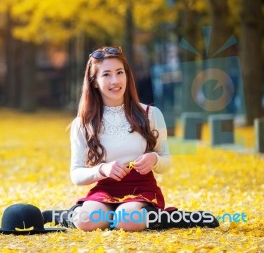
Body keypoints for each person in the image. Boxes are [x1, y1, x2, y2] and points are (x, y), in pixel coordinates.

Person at [42, 46, 219, 231]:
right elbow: (76, 175)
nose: (115, 80)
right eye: (106, 75)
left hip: (142, 189)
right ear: (94, 82)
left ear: (127, 75)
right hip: (105, 189)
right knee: (87, 221)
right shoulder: (83, 123)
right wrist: (102, 170)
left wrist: (155, 159)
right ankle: (66, 215)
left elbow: (166, 161)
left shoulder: (151, 114)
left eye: (120, 72)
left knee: (128, 221)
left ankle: (175, 218)